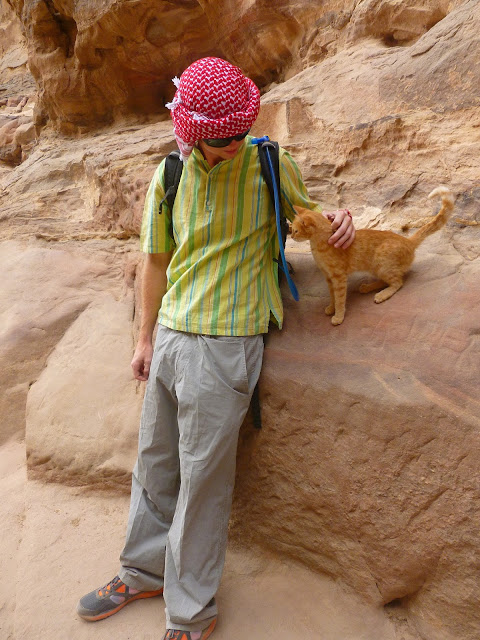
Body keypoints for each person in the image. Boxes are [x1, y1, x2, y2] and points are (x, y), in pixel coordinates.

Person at [77, 57, 355, 640]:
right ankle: (142, 572)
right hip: (173, 334)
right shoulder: (169, 174)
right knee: (155, 463)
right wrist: (145, 337)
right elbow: (156, 260)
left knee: (203, 480)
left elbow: (314, 221)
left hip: (227, 343)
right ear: (194, 132)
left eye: (241, 132)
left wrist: (342, 221)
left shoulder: (270, 164)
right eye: (224, 138)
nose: (236, 143)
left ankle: (190, 611)